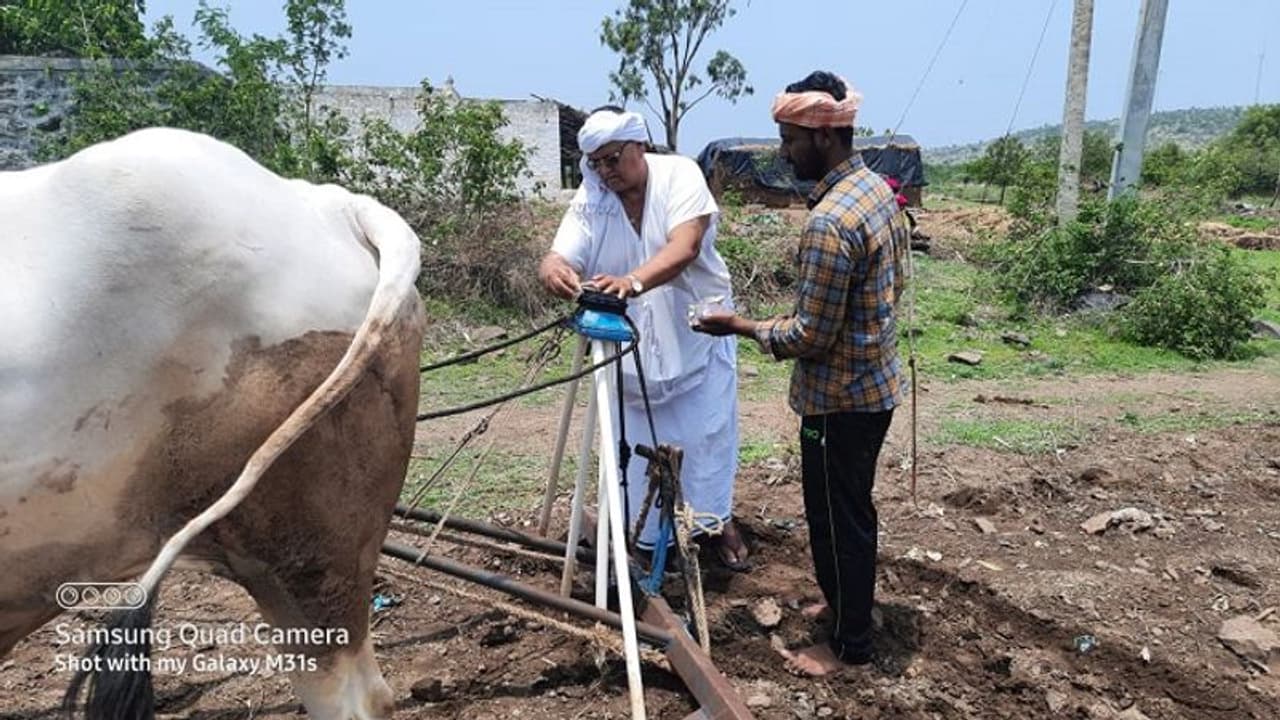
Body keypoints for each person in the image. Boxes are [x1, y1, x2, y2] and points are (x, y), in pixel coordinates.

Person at [693, 70, 908, 674]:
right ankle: (846, 606)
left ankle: (849, 646)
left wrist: (739, 326)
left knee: (837, 518)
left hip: (839, 399)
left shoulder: (829, 223)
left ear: (821, 137)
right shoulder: (875, 191)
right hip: (874, 385)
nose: (784, 154)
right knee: (850, 509)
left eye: (789, 140)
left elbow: (810, 335)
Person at [538, 107, 751, 569]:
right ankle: (644, 535)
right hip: (630, 352)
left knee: (706, 436)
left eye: (613, 159)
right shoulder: (593, 197)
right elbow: (560, 253)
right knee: (631, 449)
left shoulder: (680, 176)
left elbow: (685, 246)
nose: (606, 171)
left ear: (640, 146)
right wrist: (555, 269)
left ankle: (714, 522)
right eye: (596, 163)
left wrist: (632, 281)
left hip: (696, 331)